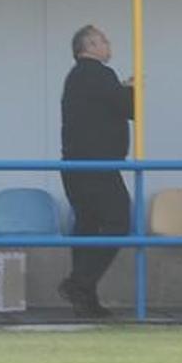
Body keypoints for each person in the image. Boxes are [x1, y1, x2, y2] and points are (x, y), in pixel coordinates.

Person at [58, 25, 134, 318]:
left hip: (75, 164)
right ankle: (79, 284)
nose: (108, 44)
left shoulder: (75, 77)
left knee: (87, 226)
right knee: (118, 221)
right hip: (98, 166)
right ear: (88, 45)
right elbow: (127, 108)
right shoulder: (100, 74)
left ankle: (86, 300)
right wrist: (130, 90)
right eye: (103, 39)